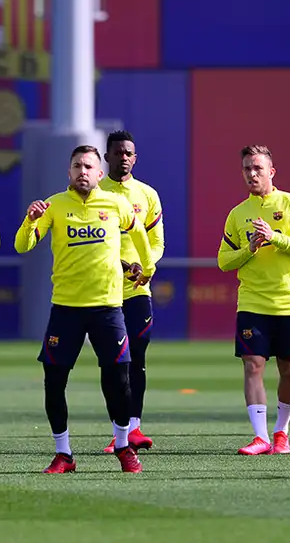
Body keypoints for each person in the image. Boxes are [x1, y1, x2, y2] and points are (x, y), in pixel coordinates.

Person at [14, 145, 156, 474]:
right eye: (77, 165)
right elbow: (23, 245)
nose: (83, 171)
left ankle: (123, 446)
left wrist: (146, 267)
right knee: (54, 380)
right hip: (66, 308)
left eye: (89, 166)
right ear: (68, 171)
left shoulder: (116, 203)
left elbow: (139, 231)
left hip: (108, 307)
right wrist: (30, 221)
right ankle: (63, 453)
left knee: (119, 379)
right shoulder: (54, 205)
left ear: (99, 173)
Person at [218, 145, 290, 456]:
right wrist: (249, 249)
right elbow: (223, 261)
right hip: (251, 302)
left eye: (258, 168)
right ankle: (260, 436)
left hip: (287, 301)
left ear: (271, 172)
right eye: (247, 169)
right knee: (253, 365)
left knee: (289, 369)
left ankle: (281, 432)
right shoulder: (238, 214)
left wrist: (275, 237)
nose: (252, 174)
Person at [99, 130, 165, 453]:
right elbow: (92, 246)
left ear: (134, 158)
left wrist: (144, 266)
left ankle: (134, 428)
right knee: (113, 362)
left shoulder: (147, 195)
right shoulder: (96, 194)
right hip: (105, 292)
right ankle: (118, 429)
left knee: (137, 357)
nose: (124, 157)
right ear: (107, 156)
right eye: (118, 152)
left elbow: (157, 243)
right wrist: (120, 263)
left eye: (129, 153)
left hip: (139, 291)